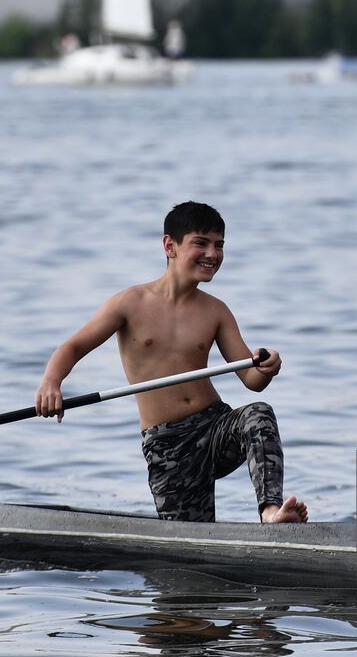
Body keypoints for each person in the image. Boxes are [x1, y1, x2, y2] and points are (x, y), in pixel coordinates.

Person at [34, 201, 307, 524]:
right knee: (192, 538)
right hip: (168, 446)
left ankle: (271, 512)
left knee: (258, 413)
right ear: (169, 246)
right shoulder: (130, 303)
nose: (212, 254)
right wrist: (51, 383)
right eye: (201, 243)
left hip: (215, 427)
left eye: (219, 245)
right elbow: (73, 346)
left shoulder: (216, 311)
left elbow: (250, 378)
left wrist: (267, 368)